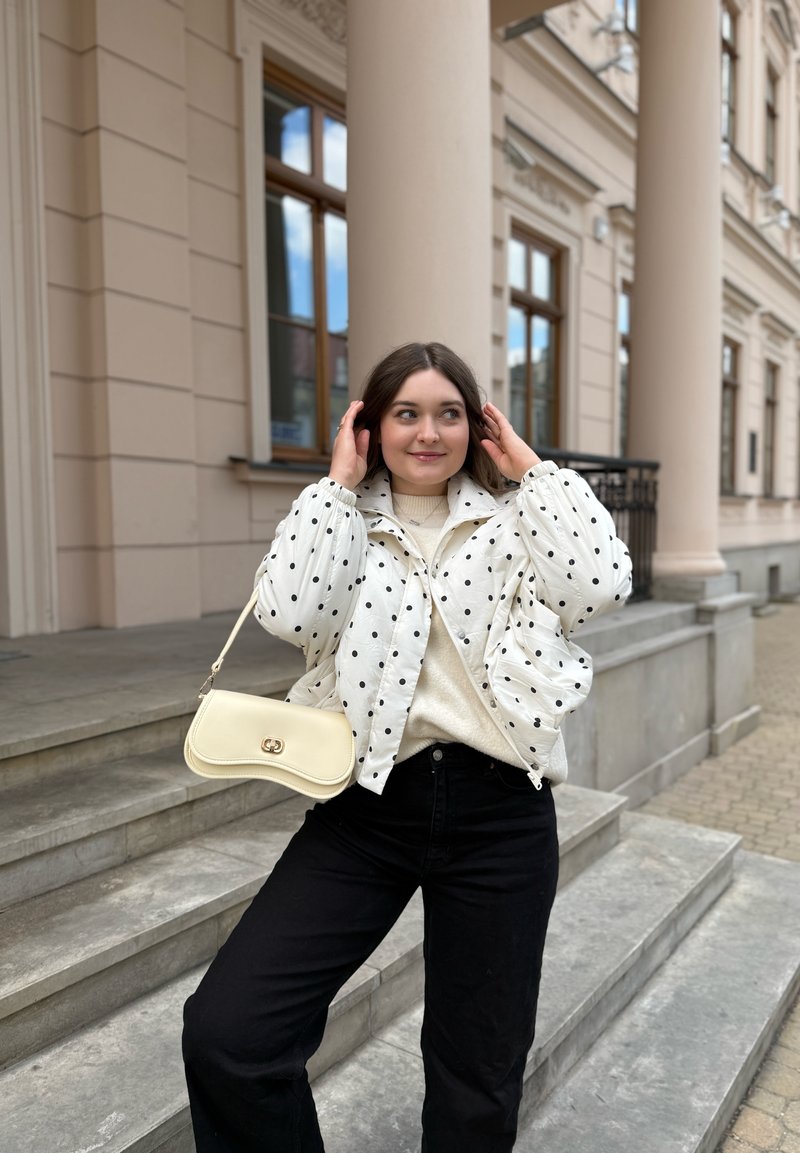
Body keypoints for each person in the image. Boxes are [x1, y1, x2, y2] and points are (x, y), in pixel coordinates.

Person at [182, 341, 632, 1152]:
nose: (429, 432)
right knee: (229, 1029)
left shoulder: (515, 522)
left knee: (477, 1074)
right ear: (371, 425)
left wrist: (536, 471)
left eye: (450, 413)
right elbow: (289, 613)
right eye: (407, 413)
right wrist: (335, 487)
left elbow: (600, 584)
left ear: (479, 424)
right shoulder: (341, 524)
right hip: (366, 811)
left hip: (501, 817)